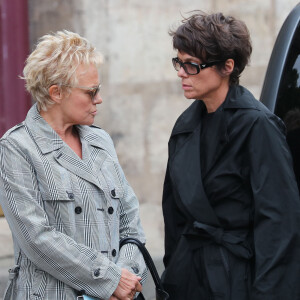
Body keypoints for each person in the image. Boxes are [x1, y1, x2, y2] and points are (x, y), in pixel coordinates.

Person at [161, 11, 300, 299]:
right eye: (179, 62)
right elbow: (174, 215)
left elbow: (278, 223)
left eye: (192, 66)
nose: (181, 73)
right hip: (188, 278)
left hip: (241, 280)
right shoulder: (184, 127)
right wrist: (172, 277)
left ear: (227, 66)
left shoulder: (258, 126)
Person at [0, 30, 146, 300]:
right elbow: (36, 239)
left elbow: (131, 224)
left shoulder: (100, 140)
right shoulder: (17, 147)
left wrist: (127, 277)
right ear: (56, 92)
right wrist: (110, 280)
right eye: (91, 92)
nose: (98, 99)